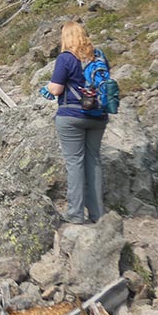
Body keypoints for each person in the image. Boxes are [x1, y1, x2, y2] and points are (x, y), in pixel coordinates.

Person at [40, 21, 108, 225]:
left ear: (66, 38)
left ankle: (76, 214)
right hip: (98, 116)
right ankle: (98, 214)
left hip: (71, 116)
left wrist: (47, 88)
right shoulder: (99, 56)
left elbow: (56, 89)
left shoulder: (66, 58)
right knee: (94, 161)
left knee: (75, 163)